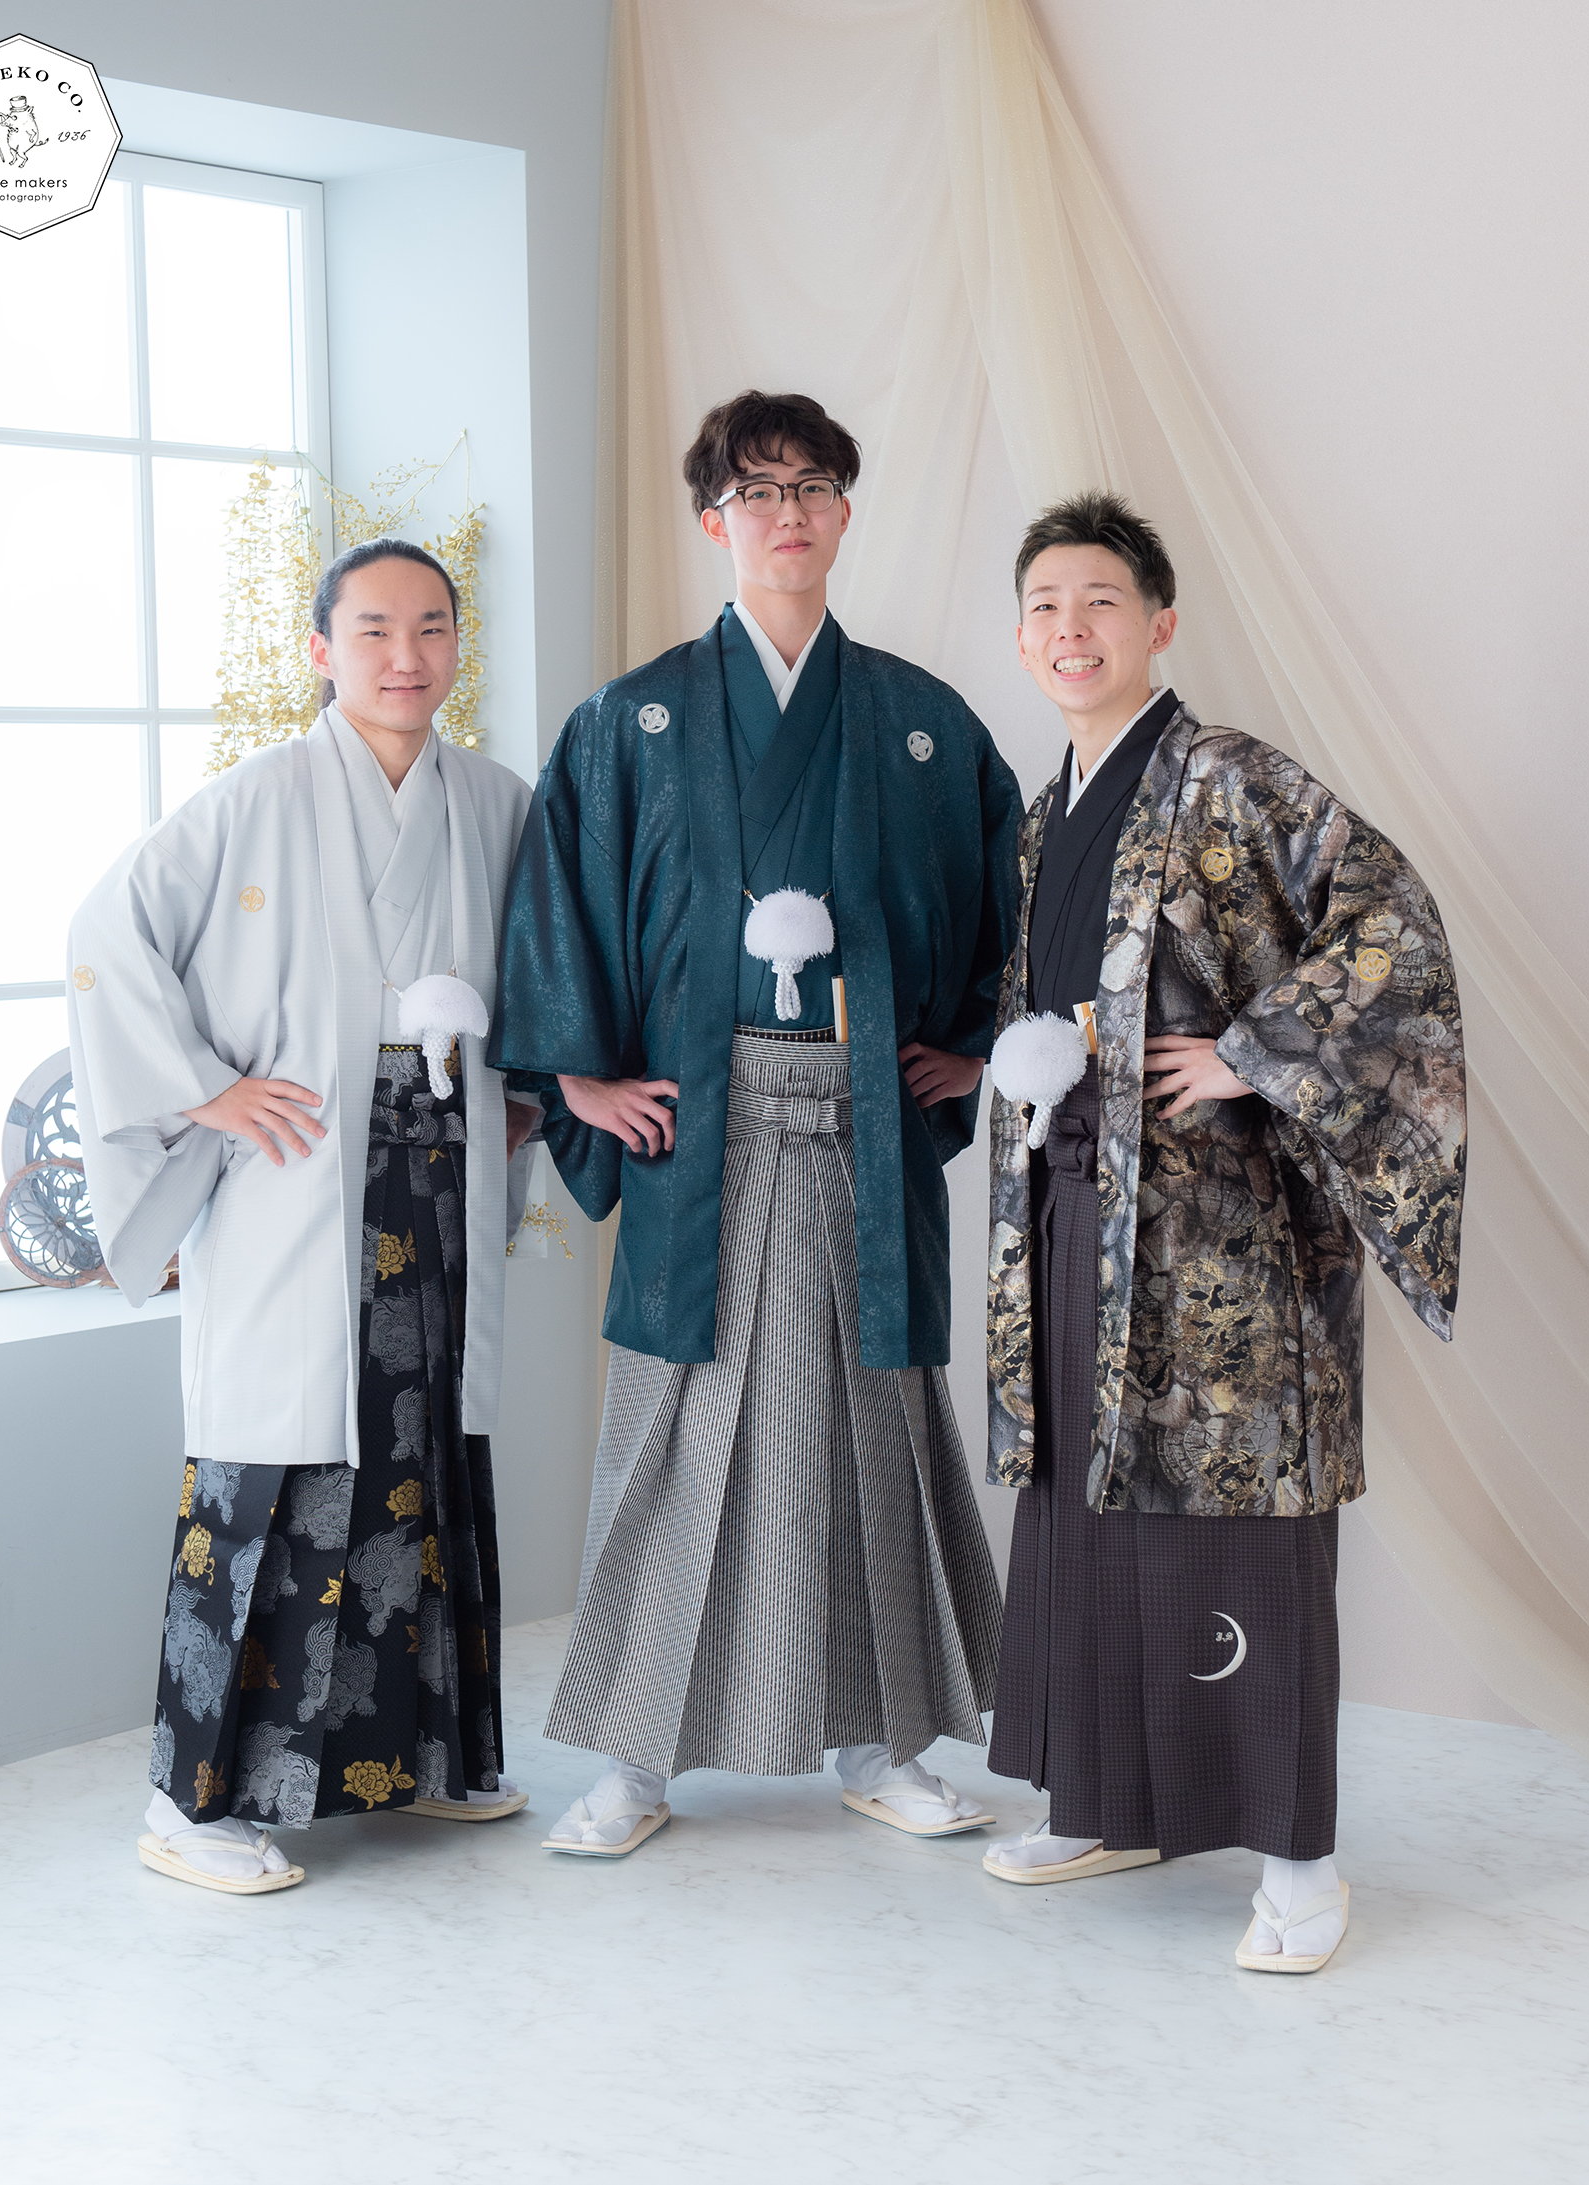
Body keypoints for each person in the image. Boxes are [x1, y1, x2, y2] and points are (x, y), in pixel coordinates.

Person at [492, 390, 1023, 1855]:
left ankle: (879, 1740)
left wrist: (975, 1049)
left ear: (845, 512)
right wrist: (575, 1079)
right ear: (711, 518)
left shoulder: (920, 723)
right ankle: (635, 1759)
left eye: (812, 487)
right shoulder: (634, 720)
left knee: (868, 1427)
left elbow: (1015, 894)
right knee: (679, 1424)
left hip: (861, 1117)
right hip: (699, 1121)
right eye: (756, 490)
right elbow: (559, 901)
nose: (786, 514)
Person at [979, 491, 1466, 1970]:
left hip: (1222, 1232)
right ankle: (1103, 1802)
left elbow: (1393, 924)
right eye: (1047, 606)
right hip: (1075, 1204)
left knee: (1240, 1526)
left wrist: (1252, 1053)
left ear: (1162, 622)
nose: (1072, 629)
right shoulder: (1047, 808)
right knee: (1085, 1503)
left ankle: (1301, 1864)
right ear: (1022, 635)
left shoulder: (1231, 776)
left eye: (1102, 602)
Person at [69, 538, 540, 1893]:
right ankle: (192, 1803)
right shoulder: (253, 799)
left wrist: (523, 1097)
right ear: (323, 649)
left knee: (420, 1457)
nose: (407, 655)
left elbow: (547, 971)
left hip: (437, 1178)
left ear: (458, 646)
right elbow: (104, 937)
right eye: (375, 629)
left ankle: (419, 1761)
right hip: (299, 1177)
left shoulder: (495, 801)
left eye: (432, 627)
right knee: (269, 1467)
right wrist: (204, 1088)